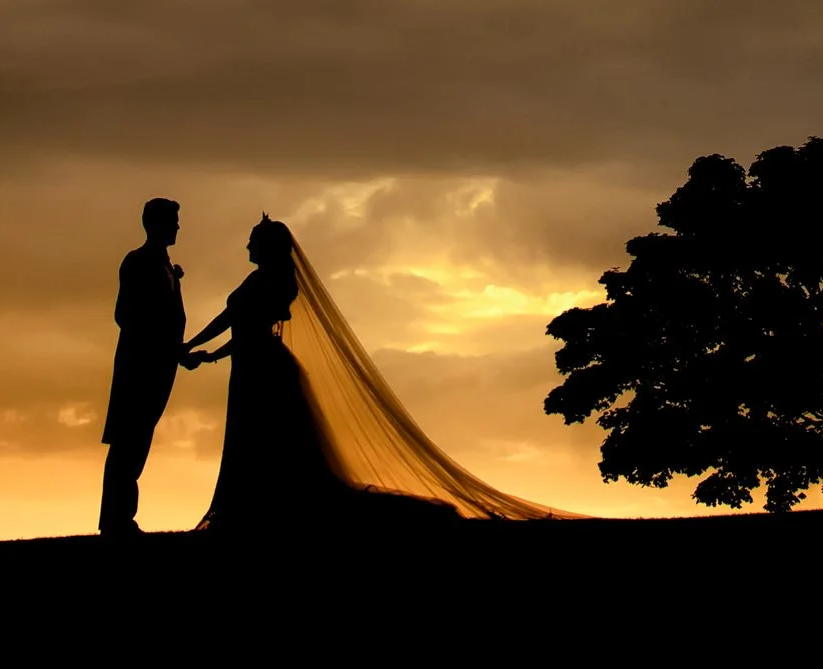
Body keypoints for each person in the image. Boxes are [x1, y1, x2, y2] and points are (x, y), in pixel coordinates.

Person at [181, 215, 569, 531]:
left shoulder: (269, 281)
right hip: (257, 365)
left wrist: (197, 349)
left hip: (263, 370)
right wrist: (202, 349)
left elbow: (241, 323)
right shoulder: (265, 280)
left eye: (252, 240)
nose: (246, 246)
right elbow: (240, 323)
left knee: (269, 443)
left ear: (265, 246)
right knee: (265, 445)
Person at [98, 197, 187, 536]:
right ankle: (115, 520)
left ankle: (122, 517)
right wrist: (162, 344)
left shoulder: (166, 265)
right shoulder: (137, 262)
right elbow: (125, 314)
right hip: (139, 366)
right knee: (127, 443)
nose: (178, 227)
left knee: (138, 442)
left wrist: (176, 351)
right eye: (173, 220)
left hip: (160, 367)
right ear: (154, 224)